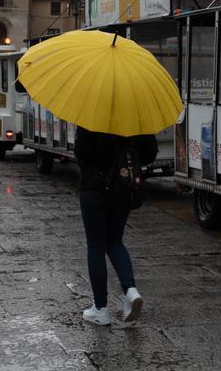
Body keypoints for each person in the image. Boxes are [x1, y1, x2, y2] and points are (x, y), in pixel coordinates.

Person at [73, 126, 157, 326]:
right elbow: (149, 153)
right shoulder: (134, 113)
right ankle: (130, 290)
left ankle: (100, 309)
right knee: (115, 240)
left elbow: (81, 152)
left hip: (93, 187)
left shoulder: (91, 114)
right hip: (122, 188)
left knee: (96, 245)